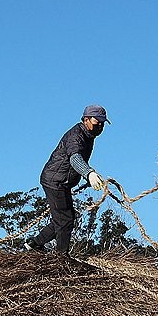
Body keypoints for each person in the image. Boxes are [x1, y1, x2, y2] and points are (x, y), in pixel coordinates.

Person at [25, 105, 110, 255]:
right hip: (55, 181)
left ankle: (34, 244)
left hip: (62, 182)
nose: (101, 126)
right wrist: (88, 173)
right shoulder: (76, 136)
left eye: (103, 123)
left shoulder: (89, 135)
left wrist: (88, 176)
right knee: (65, 220)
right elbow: (75, 158)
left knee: (65, 217)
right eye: (98, 122)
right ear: (86, 120)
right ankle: (61, 257)